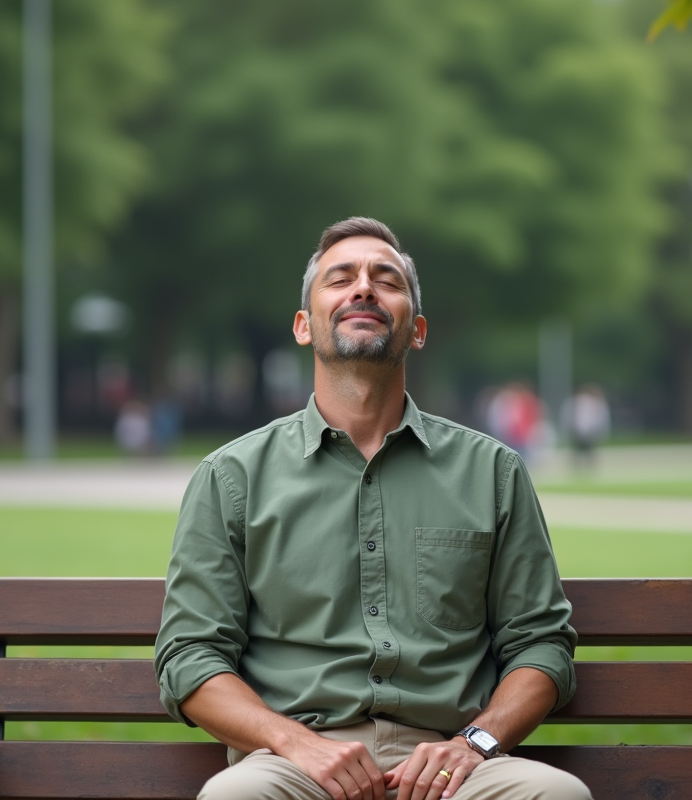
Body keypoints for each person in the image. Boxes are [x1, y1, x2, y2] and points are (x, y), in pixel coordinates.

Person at [155, 218, 591, 800]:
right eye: (340, 278)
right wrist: (294, 744)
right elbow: (189, 655)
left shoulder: (491, 471)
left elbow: (540, 642)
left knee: (557, 796)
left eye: (386, 280)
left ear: (418, 331)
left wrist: (473, 744)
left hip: (452, 767)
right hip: (294, 766)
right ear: (304, 327)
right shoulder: (231, 477)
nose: (363, 288)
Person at [562, 384, 610, 473]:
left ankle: (581, 467)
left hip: (582, 430)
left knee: (583, 450)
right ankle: (584, 467)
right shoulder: (589, 402)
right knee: (583, 450)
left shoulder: (577, 401)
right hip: (585, 430)